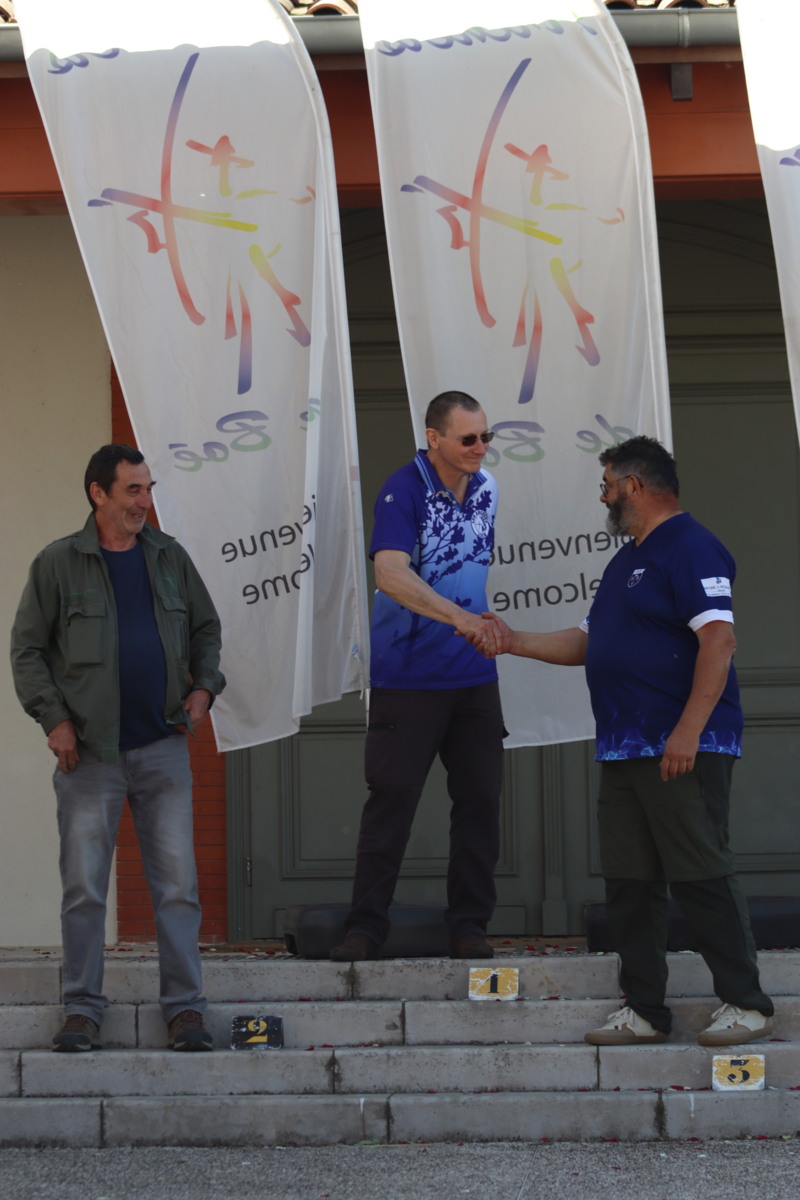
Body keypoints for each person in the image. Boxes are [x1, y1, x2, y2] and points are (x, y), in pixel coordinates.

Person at [471, 436, 774, 1046]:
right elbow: (588, 643)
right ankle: (645, 1011)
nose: (603, 497)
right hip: (624, 748)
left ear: (634, 485)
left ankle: (747, 1004)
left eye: (606, 485)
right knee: (630, 885)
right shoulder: (624, 562)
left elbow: (719, 641)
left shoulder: (691, 546)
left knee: (701, 875)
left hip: (683, 747)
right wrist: (513, 640)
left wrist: (687, 731)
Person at [10, 444, 226, 1053]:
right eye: (133, 489)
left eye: (149, 488)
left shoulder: (168, 556)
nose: (145, 501)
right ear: (97, 493)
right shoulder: (57, 563)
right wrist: (54, 719)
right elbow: (27, 650)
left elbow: (206, 628)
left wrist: (205, 687)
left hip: (163, 746)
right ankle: (82, 1009)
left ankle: (185, 1009)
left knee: (177, 887)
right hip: (89, 756)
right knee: (84, 889)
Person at [330, 391, 505, 963]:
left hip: (473, 677)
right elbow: (390, 574)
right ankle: (364, 928)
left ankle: (470, 927)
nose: (480, 448)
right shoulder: (403, 489)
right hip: (408, 676)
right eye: (468, 438)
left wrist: (473, 626)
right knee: (392, 803)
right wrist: (460, 618)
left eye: (486, 436)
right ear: (434, 438)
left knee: (480, 803)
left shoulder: (488, 487)